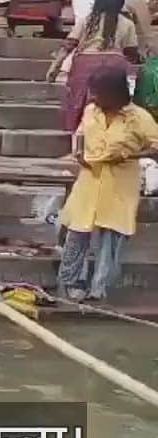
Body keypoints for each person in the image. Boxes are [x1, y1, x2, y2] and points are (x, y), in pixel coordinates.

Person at [58, 67, 158, 302]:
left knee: (111, 238)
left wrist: (128, 156)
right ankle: (71, 283)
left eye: (99, 93)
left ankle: (99, 289)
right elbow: (80, 133)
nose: (94, 98)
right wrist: (79, 151)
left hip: (120, 184)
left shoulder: (139, 117)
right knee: (77, 232)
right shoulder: (91, 111)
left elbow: (155, 146)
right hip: (90, 179)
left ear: (115, 93)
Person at [47, 0, 142, 131]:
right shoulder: (127, 23)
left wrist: (54, 67)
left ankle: (76, 134)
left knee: (78, 100)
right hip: (115, 65)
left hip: (85, 64)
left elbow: (69, 45)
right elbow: (131, 53)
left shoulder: (88, 20)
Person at [67, 0, 152, 57]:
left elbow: (71, 43)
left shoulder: (86, 16)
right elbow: (144, 32)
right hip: (114, 61)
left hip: (85, 60)